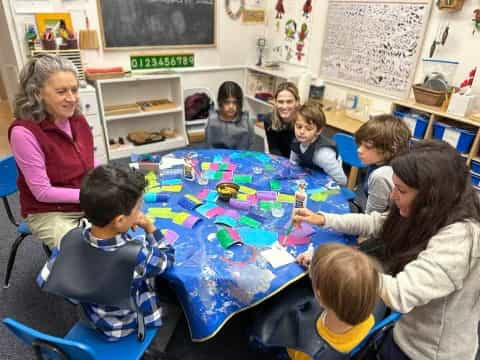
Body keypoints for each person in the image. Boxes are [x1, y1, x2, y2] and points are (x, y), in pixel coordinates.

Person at [294, 140, 480, 360]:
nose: (392, 196)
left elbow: (401, 292)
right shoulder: (431, 209)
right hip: (407, 329)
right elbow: (377, 223)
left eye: (401, 190)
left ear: (431, 195)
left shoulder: (460, 239)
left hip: (427, 353)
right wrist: (323, 218)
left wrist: (334, 266)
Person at [37, 165, 175, 341]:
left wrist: (85, 288)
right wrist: (150, 228)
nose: (140, 212)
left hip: (92, 318)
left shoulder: (70, 238)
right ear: (119, 220)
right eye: (138, 208)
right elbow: (167, 259)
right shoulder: (138, 255)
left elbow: (44, 279)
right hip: (126, 326)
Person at [9, 54, 95, 249]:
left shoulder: (76, 119)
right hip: (49, 210)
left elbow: (88, 163)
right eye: (61, 91)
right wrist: (90, 194)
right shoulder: (23, 132)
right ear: (37, 93)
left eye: (74, 90)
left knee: (127, 222)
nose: (71, 98)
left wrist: (108, 180)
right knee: (81, 252)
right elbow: (42, 192)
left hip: (84, 197)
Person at [285, 243, 381, 360]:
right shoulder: (369, 317)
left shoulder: (306, 352)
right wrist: (317, 265)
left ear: (320, 297)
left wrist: (316, 273)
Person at [355, 114, 411, 213]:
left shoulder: (381, 176)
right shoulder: (379, 161)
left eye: (367, 146)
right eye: (360, 144)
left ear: (391, 149)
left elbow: (372, 219)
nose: (359, 150)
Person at [290, 101, 347, 186]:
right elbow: (293, 164)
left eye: (308, 128)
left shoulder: (323, 154)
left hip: (325, 181)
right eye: (298, 127)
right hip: (308, 175)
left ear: (318, 131)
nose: (301, 131)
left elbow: (342, 181)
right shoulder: (296, 142)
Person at [205, 81, 254, 150]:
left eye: (235, 102)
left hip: (240, 157)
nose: (231, 106)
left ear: (239, 103)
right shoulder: (212, 120)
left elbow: (250, 145)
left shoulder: (247, 121)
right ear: (220, 102)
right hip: (218, 157)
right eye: (227, 102)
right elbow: (209, 146)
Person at [261, 82, 299, 158]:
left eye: (289, 102)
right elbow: (274, 149)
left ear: (297, 102)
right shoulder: (269, 120)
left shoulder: (304, 120)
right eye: (280, 102)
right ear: (275, 102)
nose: (284, 106)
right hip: (282, 160)